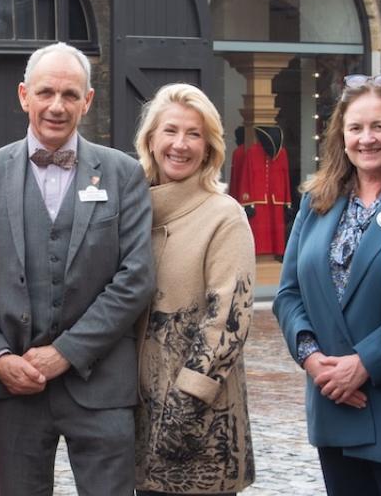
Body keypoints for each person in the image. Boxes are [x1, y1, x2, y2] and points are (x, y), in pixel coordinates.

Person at [0, 42, 156, 496]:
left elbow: (135, 279)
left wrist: (65, 352)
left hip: (101, 386)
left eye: (70, 95)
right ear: (23, 95)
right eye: (46, 92)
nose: (57, 106)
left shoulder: (123, 173)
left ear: (87, 101)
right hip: (13, 389)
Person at [276, 75, 381, 495]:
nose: (367, 139)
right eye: (355, 128)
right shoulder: (317, 200)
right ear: (340, 135)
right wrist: (312, 359)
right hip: (332, 405)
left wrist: (365, 364)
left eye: (379, 126)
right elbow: (288, 293)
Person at [132, 83, 254, 496]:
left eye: (194, 134)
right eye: (170, 131)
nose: (180, 145)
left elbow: (228, 321)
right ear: (150, 139)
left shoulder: (224, 215)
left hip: (199, 419)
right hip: (137, 414)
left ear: (209, 147)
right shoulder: (132, 208)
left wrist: (185, 405)